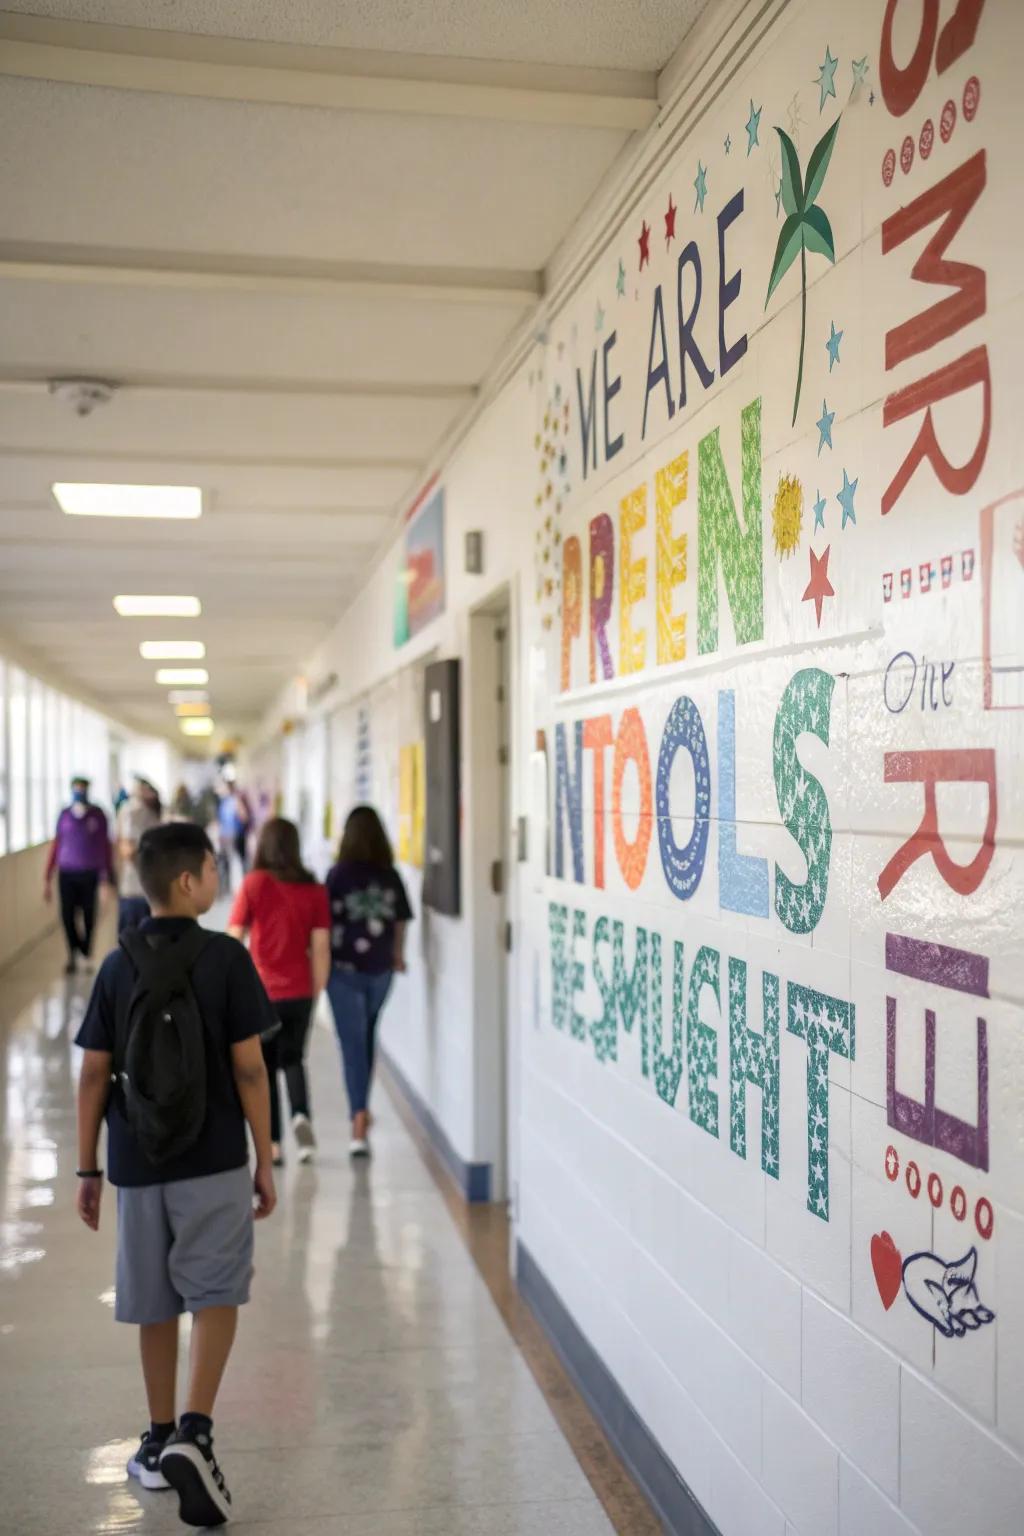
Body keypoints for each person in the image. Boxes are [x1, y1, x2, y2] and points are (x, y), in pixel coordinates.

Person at [75, 822, 277, 1529]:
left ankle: (159, 1437)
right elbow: (250, 1067)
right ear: (188, 883)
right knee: (215, 1290)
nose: (218, 878)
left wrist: (87, 1167)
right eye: (212, 869)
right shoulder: (226, 959)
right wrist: (266, 1155)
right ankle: (197, 1429)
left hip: (135, 1160)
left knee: (155, 1300)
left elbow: (94, 1073)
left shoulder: (115, 963)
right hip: (215, 1157)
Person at [227, 817, 330, 1168]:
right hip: (300, 991)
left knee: (264, 1068)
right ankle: (301, 1116)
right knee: (294, 1059)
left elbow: (234, 936)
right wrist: (316, 993)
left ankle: (273, 1145)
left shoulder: (254, 884)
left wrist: (232, 985)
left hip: (262, 993)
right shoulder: (314, 890)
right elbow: (320, 948)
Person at [325, 807, 412, 1157]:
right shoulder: (389, 875)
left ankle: (358, 1120)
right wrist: (397, 954)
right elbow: (401, 920)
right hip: (380, 970)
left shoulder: (337, 875)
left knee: (352, 1044)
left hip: (343, 969)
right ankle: (362, 1110)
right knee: (366, 1039)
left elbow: (324, 924)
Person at [44, 775, 113, 974]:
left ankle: (86, 951)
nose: (79, 792)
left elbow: (104, 848)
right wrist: (47, 876)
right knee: (67, 915)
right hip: (67, 873)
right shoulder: (64, 815)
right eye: (76, 788)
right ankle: (73, 953)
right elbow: (56, 845)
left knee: (89, 915)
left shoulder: (98, 815)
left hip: (89, 874)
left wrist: (105, 877)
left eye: (82, 788)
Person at [116, 777, 162, 933]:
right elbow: (127, 850)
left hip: (150, 891)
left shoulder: (151, 813)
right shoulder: (131, 811)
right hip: (134, 890)